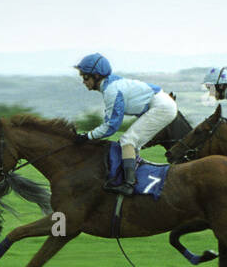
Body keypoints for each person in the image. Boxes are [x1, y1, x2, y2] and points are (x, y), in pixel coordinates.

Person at [74, 52, 177, 195]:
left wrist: (87, 136)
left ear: (96, 76)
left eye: (85, 76)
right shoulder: (110, 86)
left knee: (127, 140)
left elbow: (111, 127)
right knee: (131, 144)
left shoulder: (111, 90)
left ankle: (129, 185)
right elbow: (109, 120)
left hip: (162, 107)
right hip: (162, 104)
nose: (83, 81)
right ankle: (133, 178)